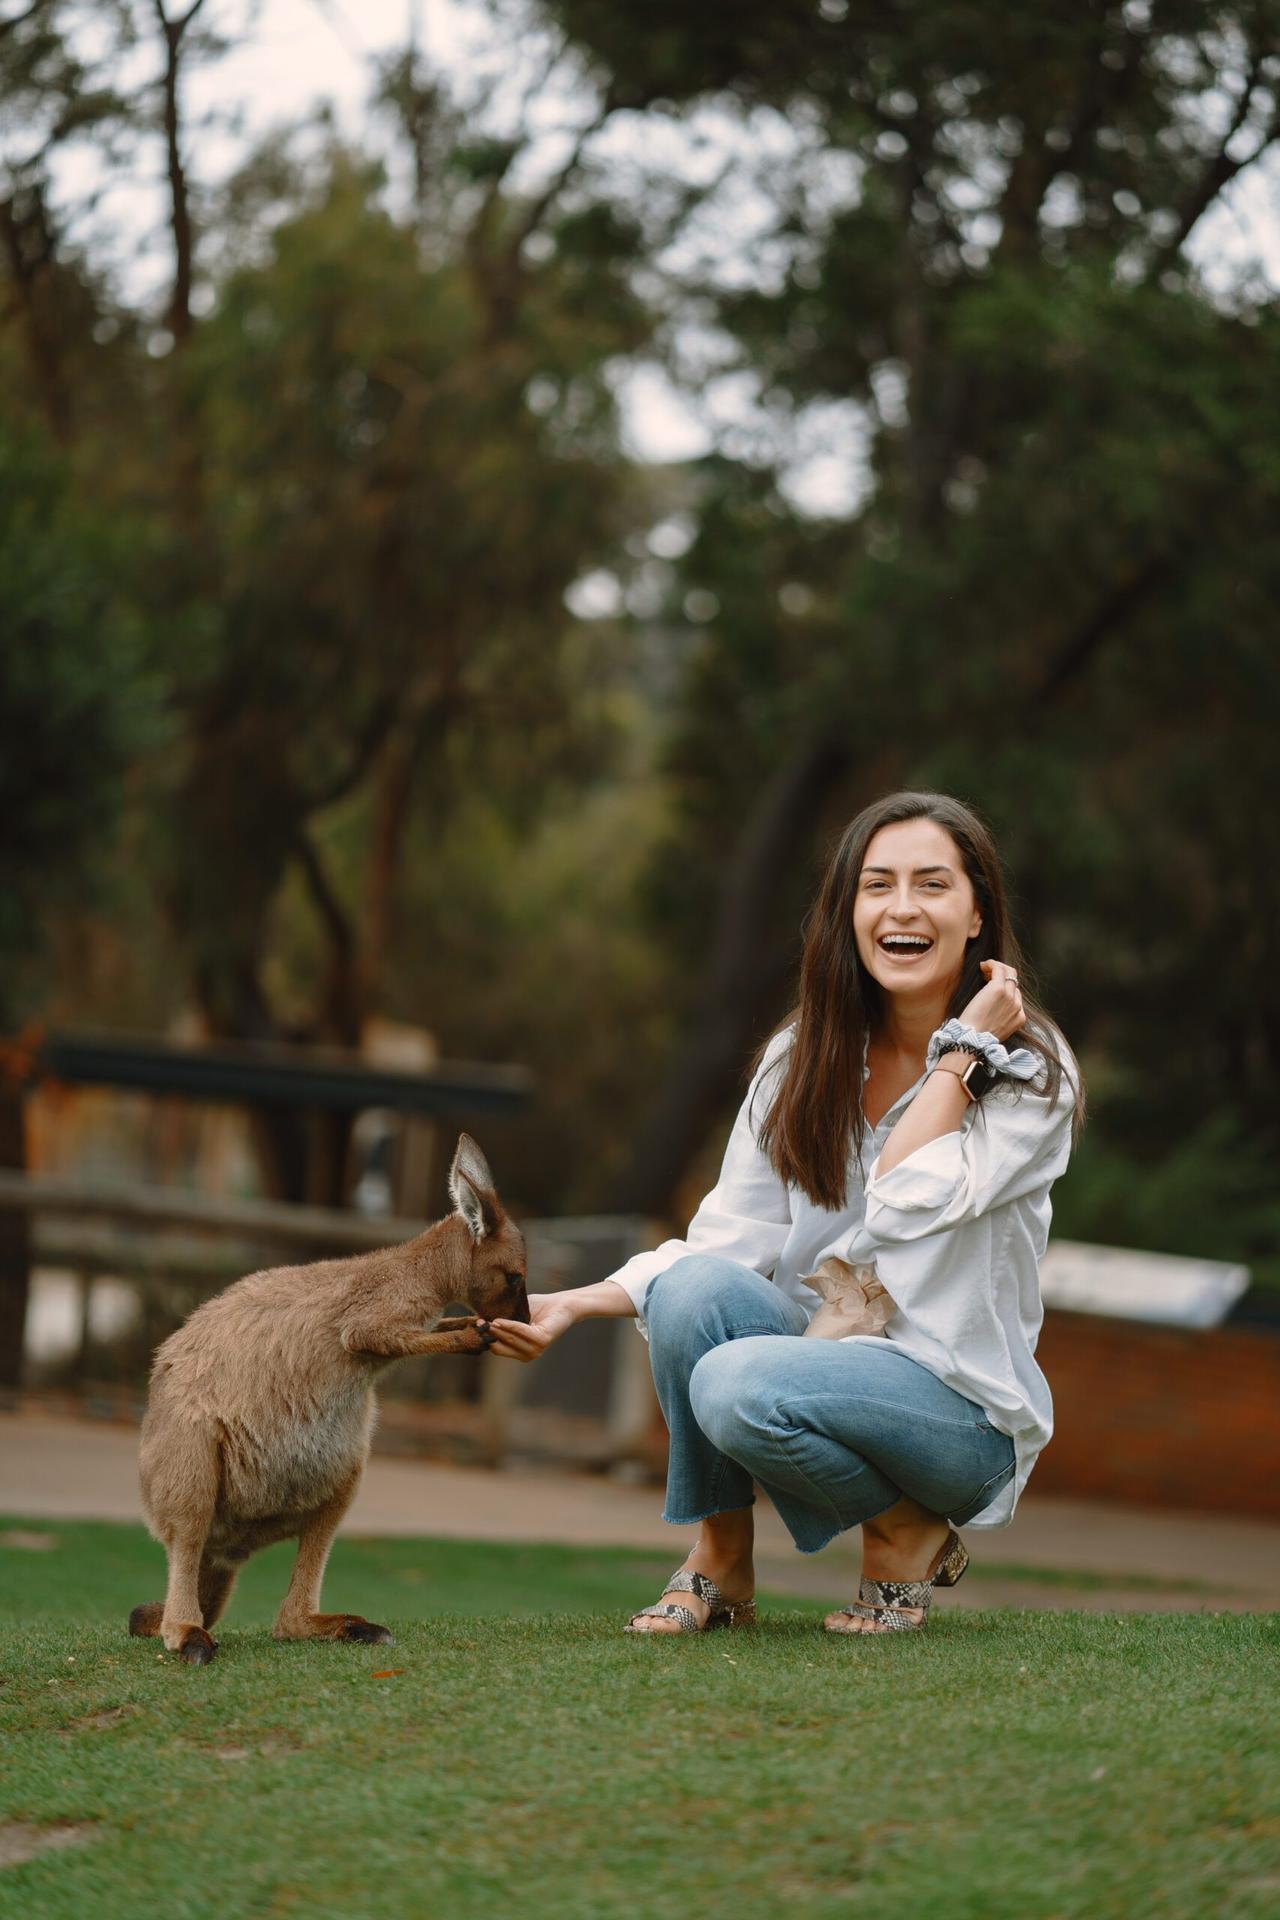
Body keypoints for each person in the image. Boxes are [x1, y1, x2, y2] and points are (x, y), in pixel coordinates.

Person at [488, 790, 1084, 1635]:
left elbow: (906, 1199)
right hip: (822, 1361)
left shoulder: (1031, 1073)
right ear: (847, 911)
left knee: (732, 1386)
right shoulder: (801, 1057)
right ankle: (721, 1562)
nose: (902, 908)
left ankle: (907, 1529)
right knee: (692, 1293)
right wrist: (578, 1303)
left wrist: (958, 1055)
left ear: (978, 911)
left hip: (958, 1412)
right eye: (877, 885)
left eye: (932, 885)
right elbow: (724, 1244)